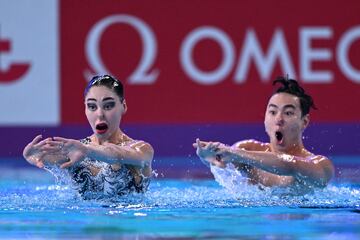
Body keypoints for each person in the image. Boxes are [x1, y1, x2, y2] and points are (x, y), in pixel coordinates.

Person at [193, 76, 334, 193]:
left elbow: (291, 165)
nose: (278, 119)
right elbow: (224, 168)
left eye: (288, 113)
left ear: (304, 121)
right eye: (272, 112)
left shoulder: (321, 165)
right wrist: (209, 159)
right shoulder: (247, 149)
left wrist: (235, 153)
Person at [23, 74, 154, 199]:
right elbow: (45, 158)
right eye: (92, 106)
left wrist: (87, 150)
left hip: (130, 220)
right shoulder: (75, 150)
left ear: (123, 106)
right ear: (85, 109)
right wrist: (33, 156)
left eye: (108, 106)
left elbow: (117, 154)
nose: (100, 114)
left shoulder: (141, 150)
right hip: (86, 220)